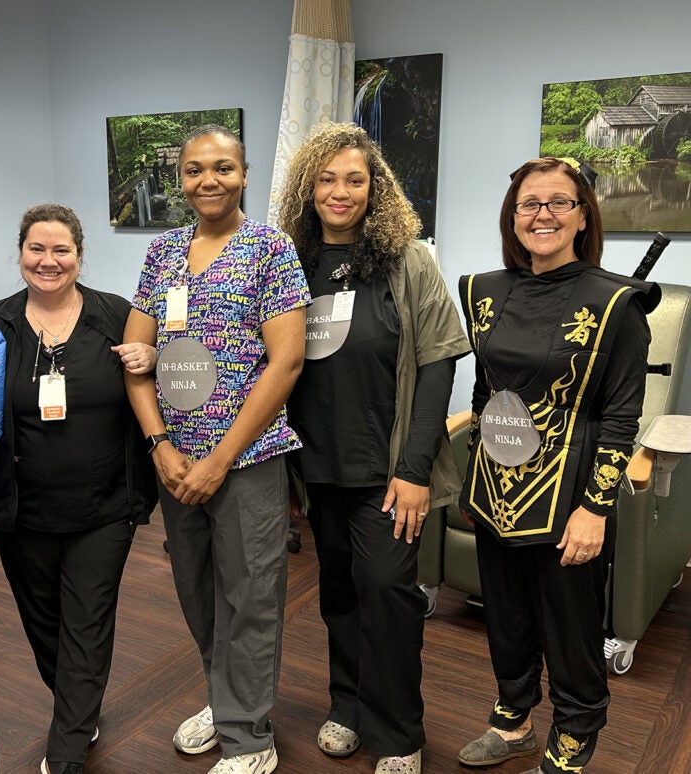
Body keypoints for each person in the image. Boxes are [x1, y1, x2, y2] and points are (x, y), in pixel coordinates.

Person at [276, 122, 470, 774]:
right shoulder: (291, 262)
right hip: (317, 466)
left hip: (389, 470)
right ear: (309, 187)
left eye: (354, 179)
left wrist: (415, 470)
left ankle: (400, 731)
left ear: (374, 187)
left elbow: (440, 360)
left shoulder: (408, 260)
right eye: (327, 179)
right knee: (339, 591)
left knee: (387, 590)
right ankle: (347, 705)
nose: (340, 191)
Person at [455, 157, 659, 774]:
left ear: (582, 216)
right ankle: (513, 717)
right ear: (512, 218)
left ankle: (575, 731)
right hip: (497, 482)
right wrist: (475, 468)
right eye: (529, 204)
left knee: (569, 626)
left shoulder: (617, 303)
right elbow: (485, 391)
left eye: (558, 202)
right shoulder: (482, 290)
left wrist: (595, 509)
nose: (542, 214)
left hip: (570, 493)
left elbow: (623, 417)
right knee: (506, 617)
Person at [123, 124, 310, 774]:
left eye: (223, 168)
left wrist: (219, 458)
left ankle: (250, 737)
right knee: (197, 589)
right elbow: (133, 358)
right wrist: (160, 448)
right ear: (181, 178)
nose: (209, 179)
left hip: (247, 460)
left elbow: (286, 363)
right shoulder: (164, 252)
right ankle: (224, 697)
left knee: (251, 596)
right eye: (196, 168)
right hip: (175, 464)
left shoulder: (268, 248)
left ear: (245, 173)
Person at [0, 204, 158, 774]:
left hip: (105, 505)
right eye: (37, 249)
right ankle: (79, 708)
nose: (48, 261)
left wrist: (151, 357)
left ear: (80, 255)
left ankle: (67, 747)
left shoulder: (117, 315)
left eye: (61, 251)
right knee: (44, 626)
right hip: (21, 508)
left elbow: (157, 379)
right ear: (21, 253)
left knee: (87, 619)